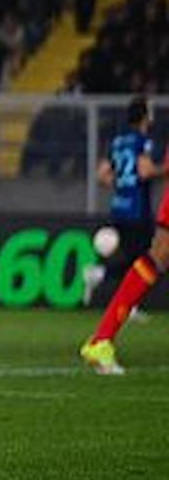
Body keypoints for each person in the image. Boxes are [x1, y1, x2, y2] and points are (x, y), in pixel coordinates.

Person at [83, 96, 168, 374]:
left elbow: (102, 174)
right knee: (150, 257)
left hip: (119, 205)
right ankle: (102, 335)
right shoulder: (142, 141)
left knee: (151, 258)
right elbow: (145, 169)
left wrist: (121, 182)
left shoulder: (119, 141)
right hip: (137, 210)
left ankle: (103, 337)